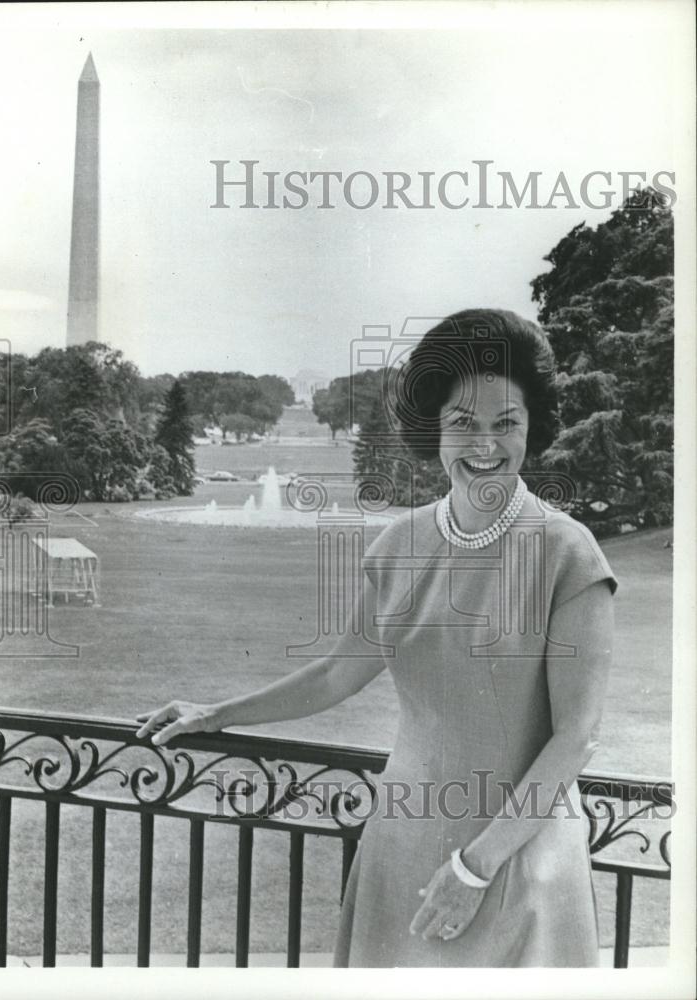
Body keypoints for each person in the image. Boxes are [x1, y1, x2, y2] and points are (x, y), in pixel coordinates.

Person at [136, 308, 618, 967]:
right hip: (406, 855)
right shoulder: (400, 545)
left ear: (532, 428)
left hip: (520, 862)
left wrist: (476, 868)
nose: (485, 444)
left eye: (506, 423)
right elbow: (339, 672)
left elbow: (576, 737)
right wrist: (213, 715)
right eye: (463, 423)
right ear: (434, 431)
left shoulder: (568, 553)